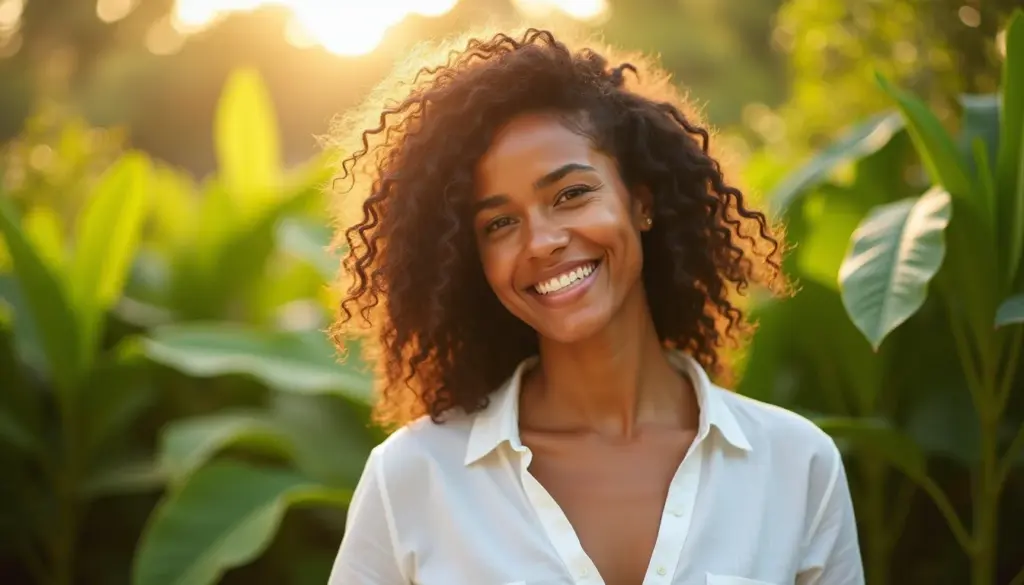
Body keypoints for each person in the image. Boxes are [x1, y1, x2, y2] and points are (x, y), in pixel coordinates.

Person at [325, 27, 864, 585]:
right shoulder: (414, 480)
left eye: (571, 194)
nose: (542, 242)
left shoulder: (796, 466)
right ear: (473, 261)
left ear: (641, 203)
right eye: (500, 223)